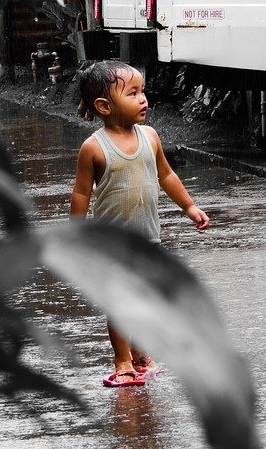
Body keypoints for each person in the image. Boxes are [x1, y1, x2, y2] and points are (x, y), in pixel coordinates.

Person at [70, 60, 210, 387]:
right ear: (104, 106)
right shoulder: (94, 147)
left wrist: (189, 207)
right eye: (132, 93)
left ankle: (140, 352)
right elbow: (80, 194)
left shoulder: (150, 137)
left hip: (148, 239)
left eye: (142, 91)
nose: (143, 99)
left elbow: (166, 175)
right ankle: (122, 363)